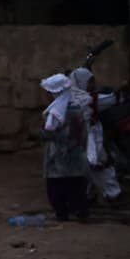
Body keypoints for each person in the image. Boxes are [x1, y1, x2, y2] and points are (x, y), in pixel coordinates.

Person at [40, 73, 92, 221]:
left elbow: (49, 133)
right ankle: (81, 211)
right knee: (76, 184)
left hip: (59, 155)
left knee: (56, 186)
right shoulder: (79, 107)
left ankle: (62, 213)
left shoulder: (56, 112)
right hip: (77, 153)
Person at [71, 67, 122, 203]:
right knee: (99, 166)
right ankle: (113, 193)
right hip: (88, 138)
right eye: (90, 82)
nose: (93, 85)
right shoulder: (85, 99)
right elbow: (110, 100)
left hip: (86, 137)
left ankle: (88, 195)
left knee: (89, 168)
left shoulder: (76, 97)